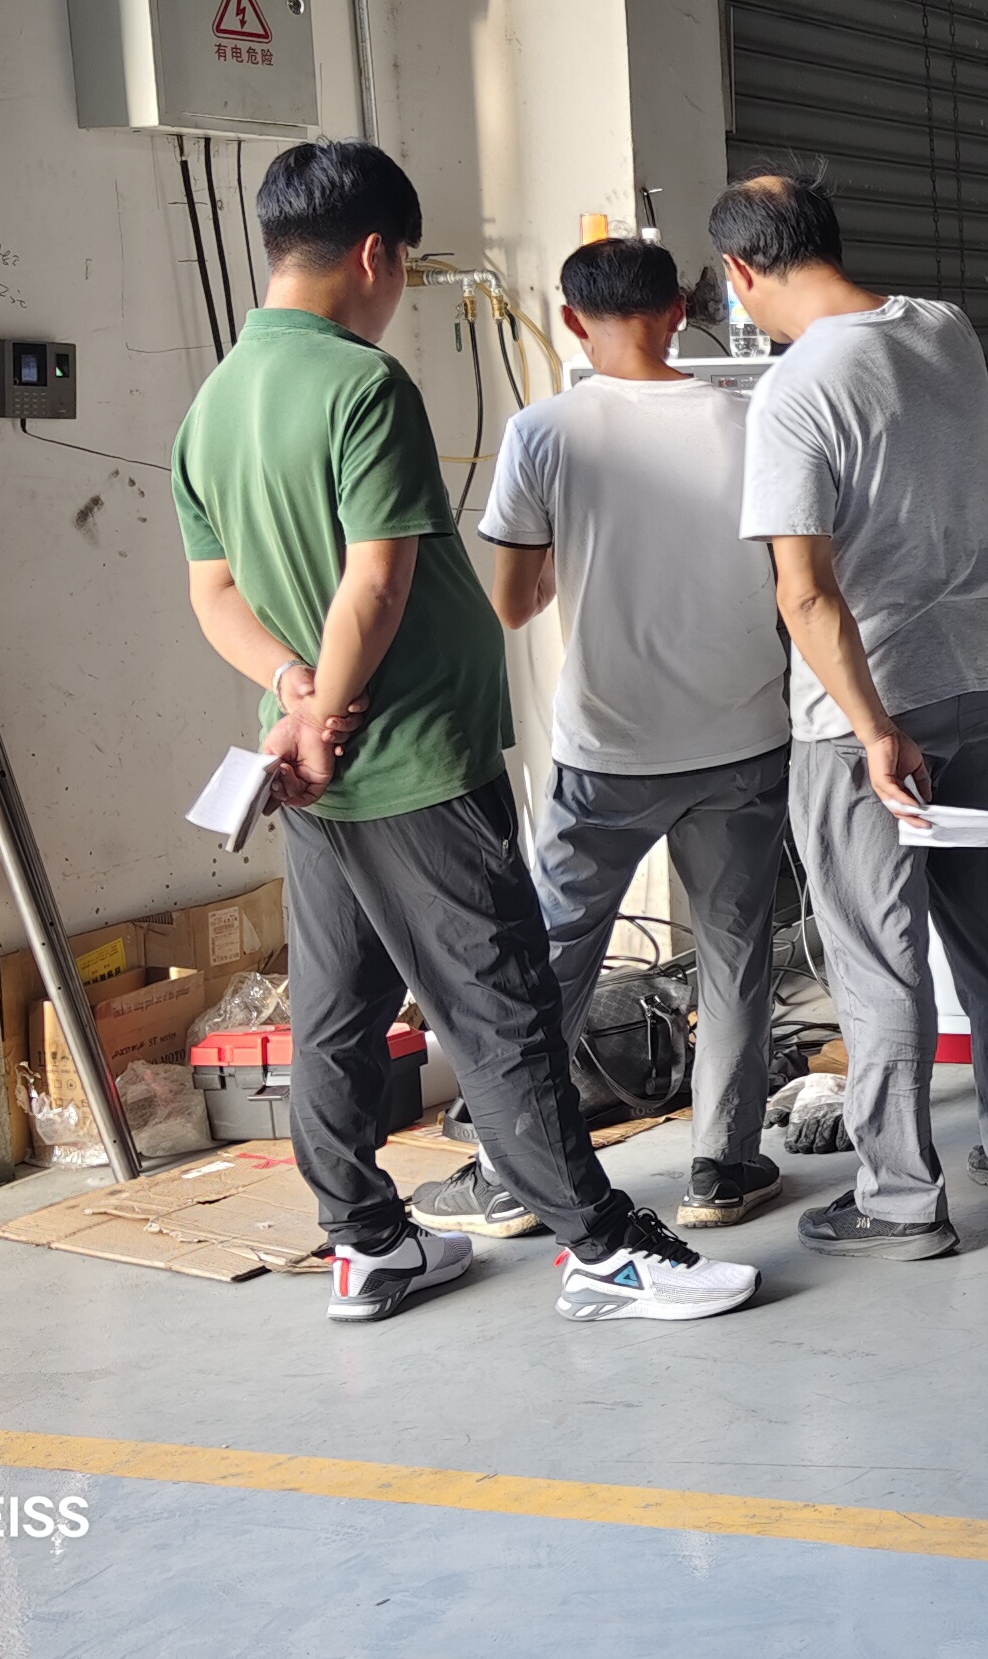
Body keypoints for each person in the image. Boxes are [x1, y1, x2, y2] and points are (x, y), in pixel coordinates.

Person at [171, 141, 753, 1325]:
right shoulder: (360, 384)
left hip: (313, 768)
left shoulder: (214, 399)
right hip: (408, 756)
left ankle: (369, 1246)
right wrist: (328, 712)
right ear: (374, 255)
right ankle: (603, 1251)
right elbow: (375, 583)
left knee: (337, 1013)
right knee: (501, 1006)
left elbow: (214, 594)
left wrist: (292, 696)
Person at [716, 169, 988, 1261]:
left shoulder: (793, 390)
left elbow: (806, 594)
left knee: (878, 957)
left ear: (739, 272)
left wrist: (872, 729)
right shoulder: (944, 329)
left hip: (871, 711)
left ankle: (898, 1201)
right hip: (980, 674)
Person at [401, 238, 796, 1241]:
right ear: (679, 313)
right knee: (735, 952)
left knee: (553, 960)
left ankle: (513, 1176)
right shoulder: (754, 419)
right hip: (743, 733)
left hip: (608, 749)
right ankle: (724, 1167)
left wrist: (574, 558)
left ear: (573, 323)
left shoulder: (542, 431)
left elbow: (514, 602)